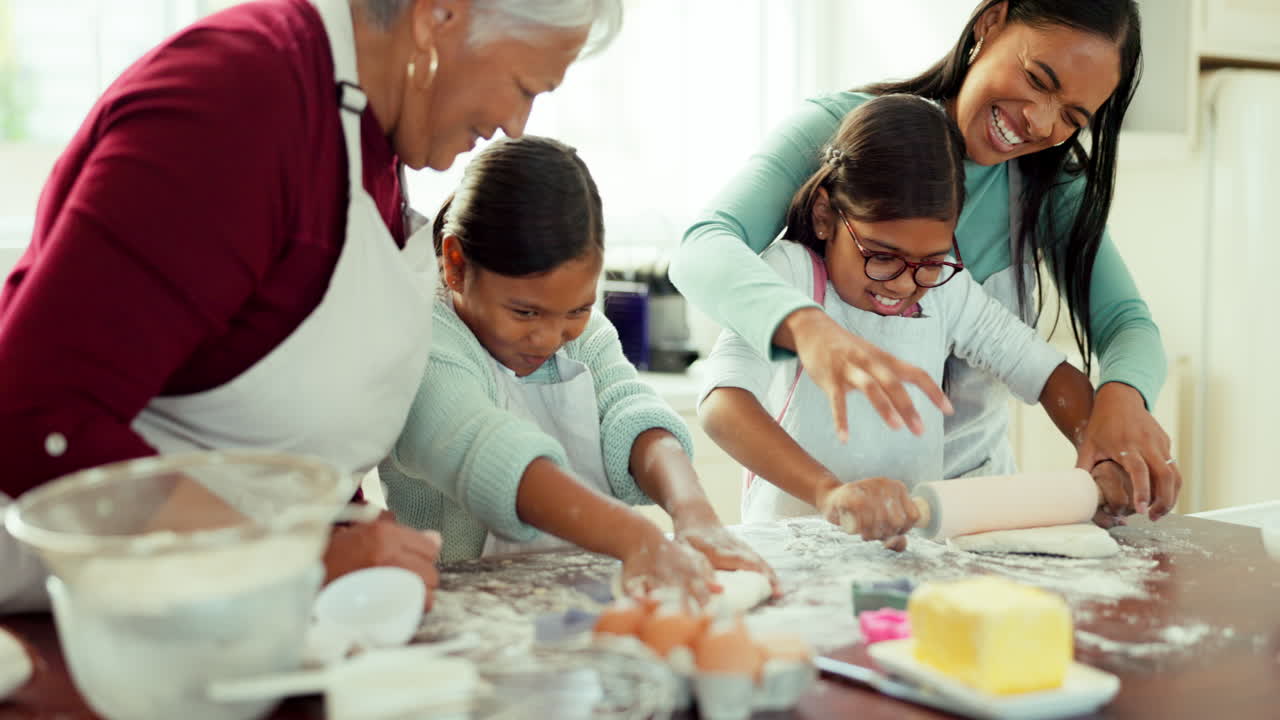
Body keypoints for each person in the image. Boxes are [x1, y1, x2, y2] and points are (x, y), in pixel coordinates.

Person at [0, 0, 622, 613]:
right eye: (523, 86)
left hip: (214, 613)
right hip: (62, 616)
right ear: (440, 16)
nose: (516, 123)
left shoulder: (370, 135)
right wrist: (304, 558)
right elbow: (34, 419)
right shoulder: (239, 101)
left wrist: (349, 532)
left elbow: (289, 417)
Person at [671, 0, 1180, 526]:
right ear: (991, 22)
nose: (1041, 121)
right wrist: (808, 328)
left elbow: (1120, 328)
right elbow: (702, 247)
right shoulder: (843, 142)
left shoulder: (1045, 191)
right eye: (1037, 78)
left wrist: (1116, 418)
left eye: (1073, 117)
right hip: (823, 522)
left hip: (969, 515)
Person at [699, 95, 1128, 549]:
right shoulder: (790, 276)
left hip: (904, 555)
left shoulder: (946, 291)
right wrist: (829, 494)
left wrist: (1107, 452)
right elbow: (721, 406)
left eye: (929, 260)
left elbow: (1045, 371)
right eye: (881, 256)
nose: (904, 284)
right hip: (790, 553)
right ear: (826, 216)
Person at [379, 135, 776, 603]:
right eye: (524, 313)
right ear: (456, 263)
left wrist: (694, 513)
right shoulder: (420, 341)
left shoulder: (582, 333)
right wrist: (639, 539)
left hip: (582, 600)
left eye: (576, 310)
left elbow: (631, 412)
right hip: (460, 610)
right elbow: (486, 450)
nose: (549, 339)